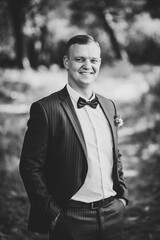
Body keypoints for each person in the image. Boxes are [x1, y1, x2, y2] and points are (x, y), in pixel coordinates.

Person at [19, 34, 128, 240]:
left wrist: (122, 197)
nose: (88, 65)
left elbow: (115, 154)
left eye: (93, 60)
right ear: (67, 62)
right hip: (71, 218)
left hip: (113, 213)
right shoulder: (45, 109)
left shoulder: (109, 105)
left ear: (100, 63)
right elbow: (30, 166)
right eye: (80, 59)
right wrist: (53, 212)